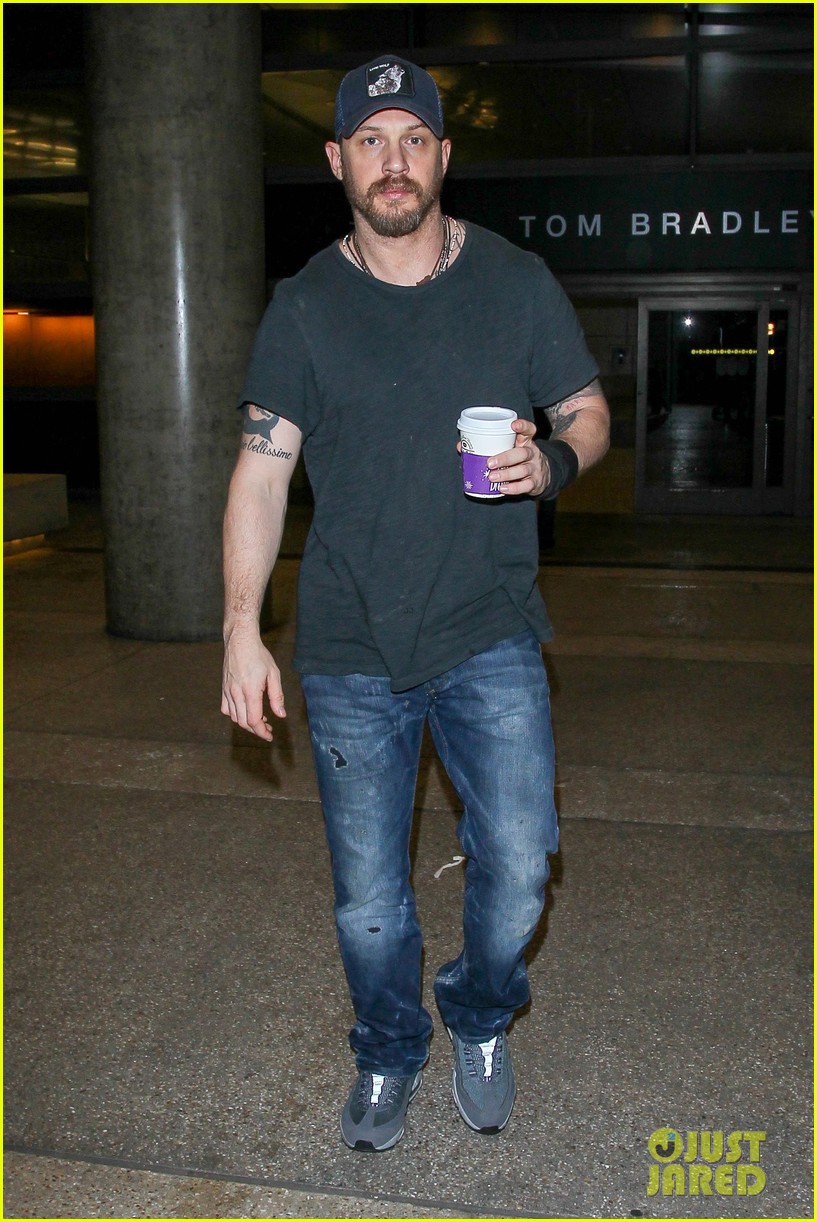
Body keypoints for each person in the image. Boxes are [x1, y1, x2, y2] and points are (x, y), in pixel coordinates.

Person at [221, 55, 610, 1152]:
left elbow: (586, 411)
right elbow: (260, 471)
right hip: (351, 646)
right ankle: (389, 1046)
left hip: (489, 629)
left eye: (412, 139)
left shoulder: (514, 281)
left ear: (441, 155)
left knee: (520, 867)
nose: (392, 161)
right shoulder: (304, 306)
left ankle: (479, 1014)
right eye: (370, 140)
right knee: (369, 901)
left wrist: (553, 465)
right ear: (338, 160)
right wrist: (241, 627)